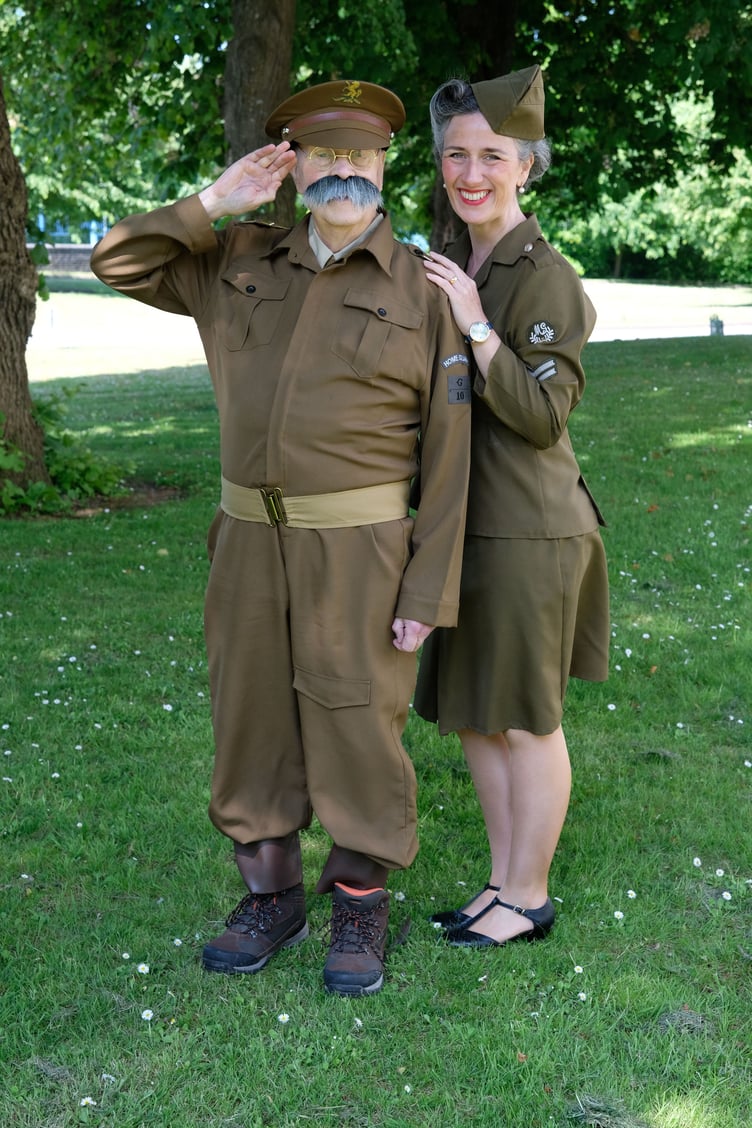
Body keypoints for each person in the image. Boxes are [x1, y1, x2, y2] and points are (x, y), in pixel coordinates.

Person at [90, 80, 471, 995]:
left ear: (385, 167)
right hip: (247, 544)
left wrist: (428, 591)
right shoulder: (234, 259)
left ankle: (359, 909)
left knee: (356, 725)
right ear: (293, 166)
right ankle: (272, 898)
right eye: (325, 156)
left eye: (362, 157)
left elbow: (455, 464)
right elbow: (116, 261)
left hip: (363, 548)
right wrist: (215, 203)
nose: (345, 173)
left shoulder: (426, 292)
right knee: (250, 717)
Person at [413, 65, 609, 949]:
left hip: (531, 529)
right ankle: (498, 881)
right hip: (466, 525)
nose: (470, 173)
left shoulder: (546, 278)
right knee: (477, 714)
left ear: (527, 166)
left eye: (491, 155)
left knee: (527, 718)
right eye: (456, 155)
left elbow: (541, 417)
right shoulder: (458, 260)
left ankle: (529, 898)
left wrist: (475, 325)